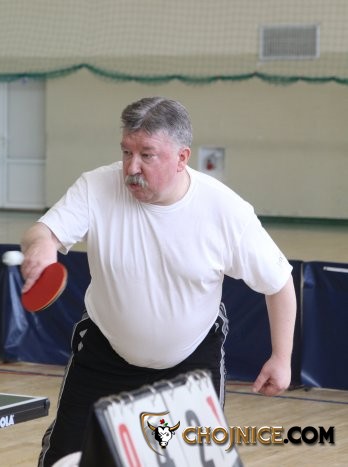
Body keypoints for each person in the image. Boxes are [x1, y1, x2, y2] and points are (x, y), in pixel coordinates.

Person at [20, 97, 297, 466]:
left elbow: (279, 283)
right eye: (126, 152)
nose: (132, 167)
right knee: (65, 460)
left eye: (146, 155)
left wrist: (281, 358)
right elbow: (43, 232)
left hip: (190, 363)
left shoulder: (226, 211)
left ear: (182, 158)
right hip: (103, 354)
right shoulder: (95, 186)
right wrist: (41, 246)